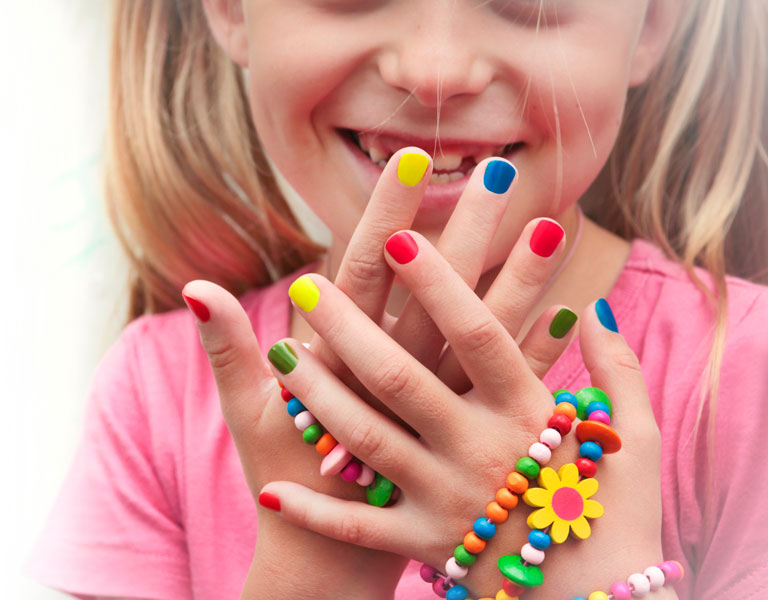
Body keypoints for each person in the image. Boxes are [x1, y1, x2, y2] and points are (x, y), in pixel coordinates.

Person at [24, 0, 768, 599]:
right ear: (229, 9)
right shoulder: (156, 395)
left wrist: (582, 583)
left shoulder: (745, 376)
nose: (434, 71)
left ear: (656, 21)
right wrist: (311, 581)